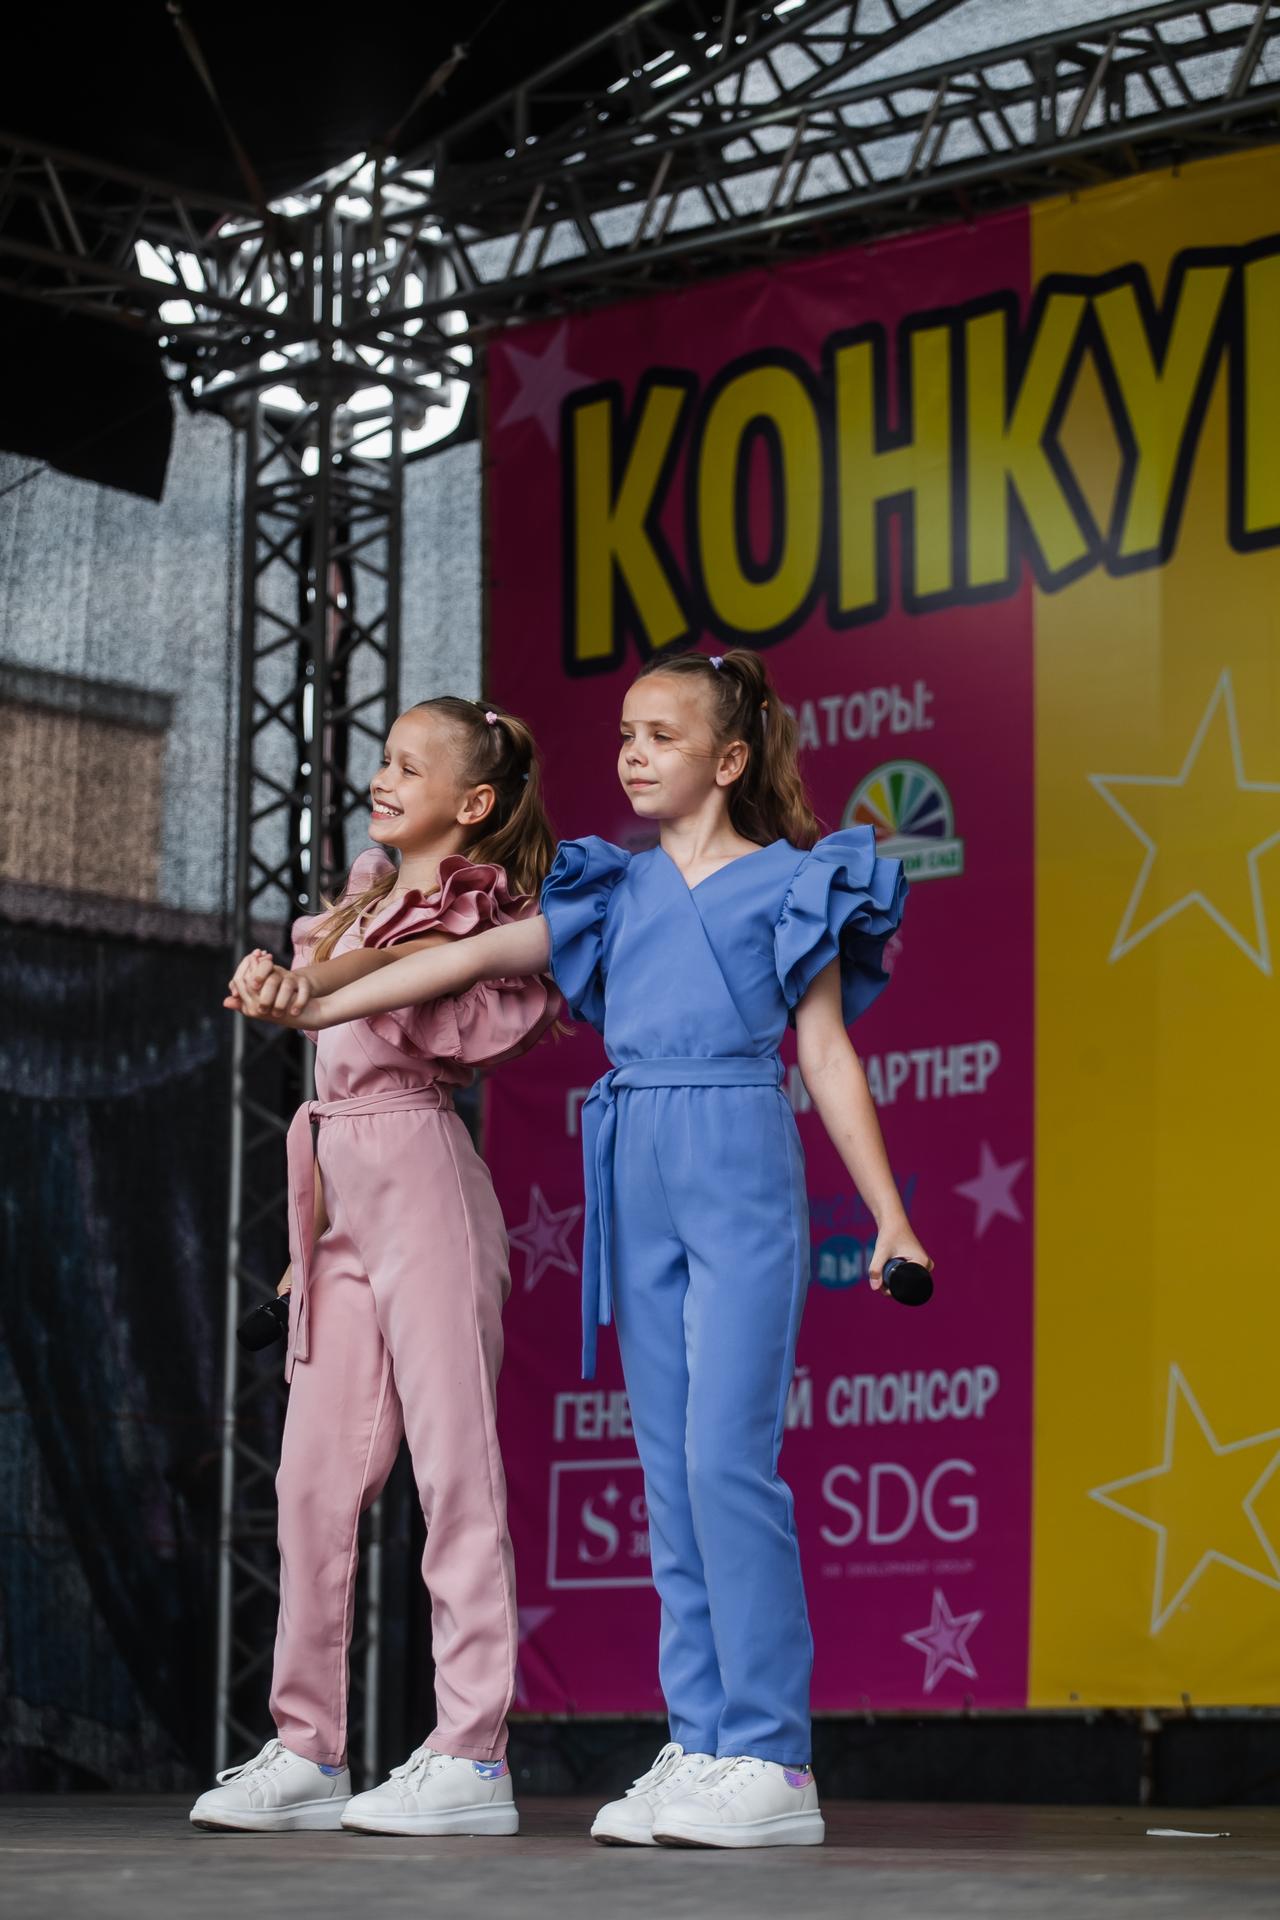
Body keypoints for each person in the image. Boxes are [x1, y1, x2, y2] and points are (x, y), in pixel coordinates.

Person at [251, 648, 931, 1849]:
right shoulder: (610, 887)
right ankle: (700, 1741)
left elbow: (824, 1054)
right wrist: (311, 998)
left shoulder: (796, 881)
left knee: (726, 1463)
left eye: (661, 737)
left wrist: (890, 1216)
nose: (631, 754)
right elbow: (455, 960)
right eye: (624, 734)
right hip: (632, 1166)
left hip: (732, 1148)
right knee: (666, 1474)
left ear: (729, 759)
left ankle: (771, 1759)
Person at [190, 698, 561, 1837]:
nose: (382, 778)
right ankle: (308, 1748)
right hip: (342, 1193)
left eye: (410, 765)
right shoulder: (360, 897)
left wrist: (299, 987)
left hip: (423, 1180)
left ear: (474, 802)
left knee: (455, 1475)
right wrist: (304, 1251)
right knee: (309, 1483)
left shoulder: (471, 911)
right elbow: (327, 1017)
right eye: (383, 760)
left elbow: (394, 987)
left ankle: (472, 1753)